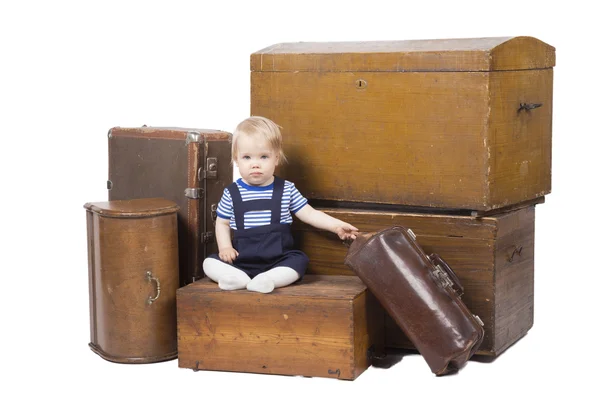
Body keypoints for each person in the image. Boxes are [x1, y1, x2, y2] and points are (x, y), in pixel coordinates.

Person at [203, 116, 358, 294]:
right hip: (242, 259)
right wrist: (225, 247)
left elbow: (309, 214)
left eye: (263, 157)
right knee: (209, 263)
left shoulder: (286, 190)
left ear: (276, 158)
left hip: (278, 259)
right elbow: (222, 223)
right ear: (236, 160)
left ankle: (268, 280)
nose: (255, 164)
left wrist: (336, 226)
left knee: (299, 261)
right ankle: (238, 278)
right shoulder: (231, 193)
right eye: (247, 157)